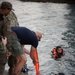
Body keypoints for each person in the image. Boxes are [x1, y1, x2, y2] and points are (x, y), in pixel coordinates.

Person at [0, 1, 27, 75]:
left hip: (12, 40)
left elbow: (16, 25)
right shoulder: (2, 17)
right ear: (5, 9)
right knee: (2, 62)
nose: (10, 11)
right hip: (4, 41)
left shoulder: (11, 13)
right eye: (9, 9)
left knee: (13, 63)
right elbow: (5, 32)